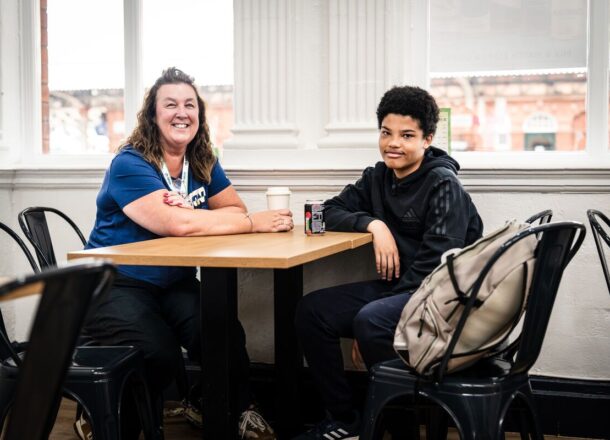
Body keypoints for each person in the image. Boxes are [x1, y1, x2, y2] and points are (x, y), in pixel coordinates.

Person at [81, 67, 291, 440]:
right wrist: (244, 222)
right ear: (152, 115)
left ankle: (230, 409)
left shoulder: (201, 159)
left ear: (199, 115)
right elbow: (177, 226)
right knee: (159, 352)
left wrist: (193, 214)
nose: (182, 112)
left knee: (221, 329)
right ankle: (102, 412)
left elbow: (233, 209)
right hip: (115, 283)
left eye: (190, 104)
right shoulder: (130, 164)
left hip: (171, 280)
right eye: (171, 104)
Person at [292, 86, 483, 440]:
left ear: (427, 139)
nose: (393, 143)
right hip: (397, 290)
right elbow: (326, 211)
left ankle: (396, 427)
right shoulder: (377, 177)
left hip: (443, 301)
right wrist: (373, 224)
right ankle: (345, 419)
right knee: (312, 310)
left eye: (407, 135)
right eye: (386, 132)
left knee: (371, 319)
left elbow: (437, 272)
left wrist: (378, 313)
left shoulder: (444, 184)